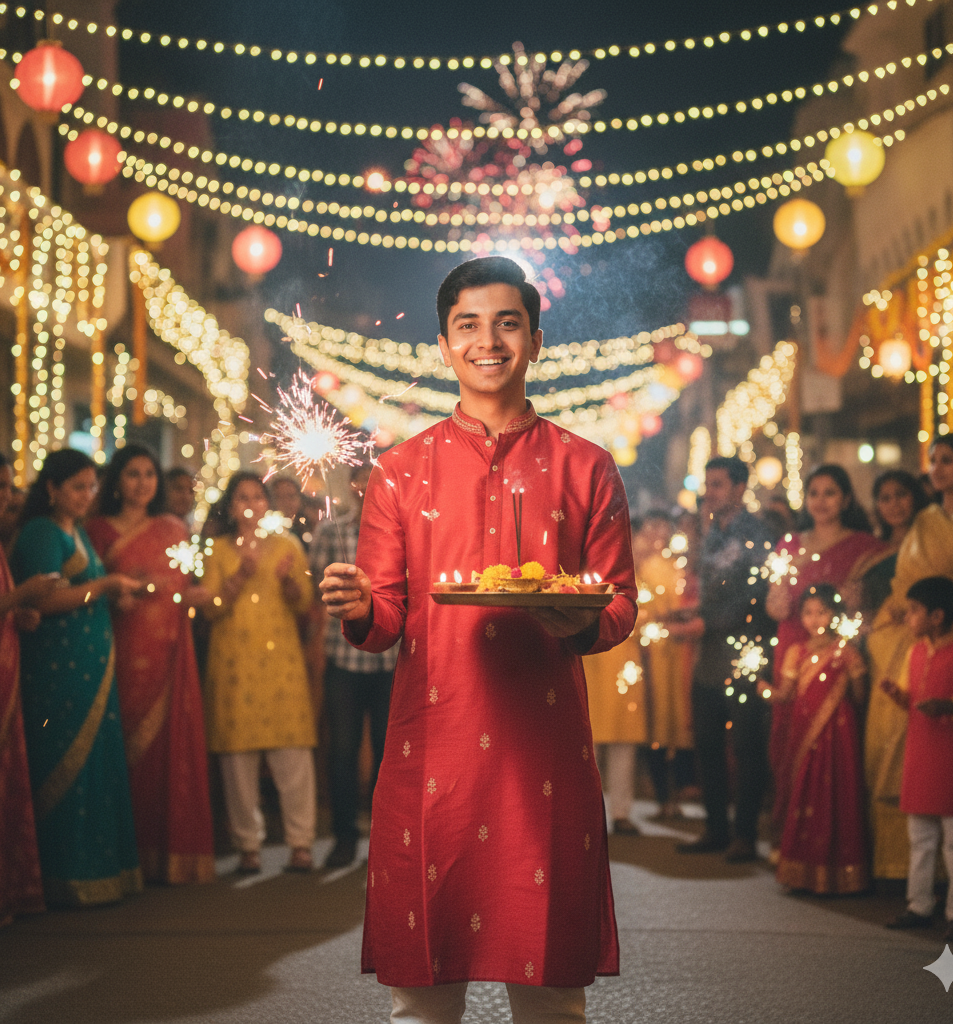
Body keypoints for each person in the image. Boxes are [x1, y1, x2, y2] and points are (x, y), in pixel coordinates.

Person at [319, 256, 637, 1024]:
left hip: (544, 756)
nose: (487, 340)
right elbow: (386, 621)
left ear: (535, 339)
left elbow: (620, 604)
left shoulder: (587, 466)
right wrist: (359, 606)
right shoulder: (398, 471)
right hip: (434, 754)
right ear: (442, 343)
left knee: (554, 1000)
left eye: (506, 323)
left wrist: (582, 619)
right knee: (421, 1000)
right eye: (468, 324)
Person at [866, 435, 953, 884]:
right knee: (902, 740)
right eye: (932, 460)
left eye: (949, 460)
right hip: (915, 634)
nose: (938, 468)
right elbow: (905, 583)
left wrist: (936, 595)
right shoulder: (926, 519)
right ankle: (910, 876)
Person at [11, 449, 143, 906]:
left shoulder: (77, 531)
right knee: (62, 762)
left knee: (95, 765)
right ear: (51, 489)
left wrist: (111, 595)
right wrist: (105, 588)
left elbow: (79, 593)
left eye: (91, 487)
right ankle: (63, 878)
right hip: (56, 672)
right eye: (77, 487)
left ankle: (98, 872)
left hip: (91, 671)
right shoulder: (41, 533)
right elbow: (42, 602)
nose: (88, 495)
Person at [85, 445, 215, 884]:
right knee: (118, 746)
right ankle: (125, 856)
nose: (142, 483)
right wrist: (115, 595)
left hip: (169, 651)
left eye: (148, 475)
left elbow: (190, 584)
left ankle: (165, 853)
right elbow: (87, 587)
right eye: (132, 474)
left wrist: (199, 596)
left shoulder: (174, 528)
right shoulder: (96, 530)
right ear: (116, 481)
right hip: (116, 648)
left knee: (166, 750)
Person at [201, 471, 317, 875]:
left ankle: (300, 843)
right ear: (230, 507)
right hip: (234, 663)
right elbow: (209, 607)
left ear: (267, 503)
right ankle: (248, 846)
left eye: (257, 496)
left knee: (292, 755)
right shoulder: (216, 550)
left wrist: (286, 581)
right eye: (241, 498)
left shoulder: (287, 547)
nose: (250, 504)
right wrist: (239, 576)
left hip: (281, 663)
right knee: (238, 761)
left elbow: (304, 604)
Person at [765, 465, 884, 839]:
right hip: (793, 650)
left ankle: (837, 839)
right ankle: (792, 837)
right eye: (814, 492)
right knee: (788, 736)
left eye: (830, 492)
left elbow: (871, 607)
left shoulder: (865, 548)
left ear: (846, 499)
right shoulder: (790, 545)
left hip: (838, 656)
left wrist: (856, 607)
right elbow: (773, 604)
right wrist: (778, 602)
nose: (821, 500)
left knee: (838, 744)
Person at [882, 576, 953, 940]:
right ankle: (919, 906)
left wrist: (950, 705)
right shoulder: (915, 652)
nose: (908, 617)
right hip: (921, 755)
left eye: (914, 611)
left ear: (937, 616)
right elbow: (911, 697)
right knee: (920, 838)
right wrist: (896, 695)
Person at [672, 457, 774, 862]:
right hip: (710, 654)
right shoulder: (712, 533)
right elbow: (708, 587)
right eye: (708, 485)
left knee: (747, 744)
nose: (710, 493)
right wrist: (689, 614)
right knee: (708, 742)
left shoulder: (759, 533)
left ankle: (745, 834)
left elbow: (757, 595)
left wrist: (705, 621)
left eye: (717, 485)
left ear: (739, 487)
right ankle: (716, 828)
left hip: (745, 651)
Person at [0, 447, 59, 927]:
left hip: (0, 672)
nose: (8, 496)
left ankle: (1, 892)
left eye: (10, 487)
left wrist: (18, 612)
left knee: (2, 781)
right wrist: (20, 596)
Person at [311, 462, 398, 869]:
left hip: (390, 660)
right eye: (362, 481)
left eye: (376, 481)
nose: (368, 488)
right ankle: (344, 837)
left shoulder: (398, 531)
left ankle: (387, 837)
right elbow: (319, 593)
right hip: (343, 660)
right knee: (342, 751)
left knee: (390, 752)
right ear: (351, 486)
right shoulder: (331, 532)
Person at [770, 584, 868, 894]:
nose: (815, 619)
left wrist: (854, 670)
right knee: (803, 790)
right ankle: (801, 869)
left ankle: (841, 874)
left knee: (837, 793)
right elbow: (785, 695)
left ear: (835, 614)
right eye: (808, 612)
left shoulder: (847, 652)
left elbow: (860, 697)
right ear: (800, 617)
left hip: (838, 735)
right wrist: (762, 690)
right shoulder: (795, 652)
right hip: (803, 733)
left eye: (822, 611)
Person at [856, 470, 928, 882]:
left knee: (910, 750)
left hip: (918, 651)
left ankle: (921, 872)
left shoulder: (931, 541)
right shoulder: (873, 552)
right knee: (881, 750)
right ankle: (887, 864)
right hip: (880, 653)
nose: (894, 504)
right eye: (884, 497)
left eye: (902, 495)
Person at [583, 517, 648, 835]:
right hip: (590, 657)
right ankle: (588, 811)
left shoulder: (643, 570)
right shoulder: (580, 564)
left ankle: (621, 812)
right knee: (586, 739)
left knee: (622, 739)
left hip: (625, 660)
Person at [637, 514, 695, 818]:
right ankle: (662, 795)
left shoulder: (679, 565)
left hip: (681, 649)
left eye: (663, 527)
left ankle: (678, 789)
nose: (658, 533)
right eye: (652, 528)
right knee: (658, 719)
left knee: (679, 719)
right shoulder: (642, 567)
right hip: (655, 649)